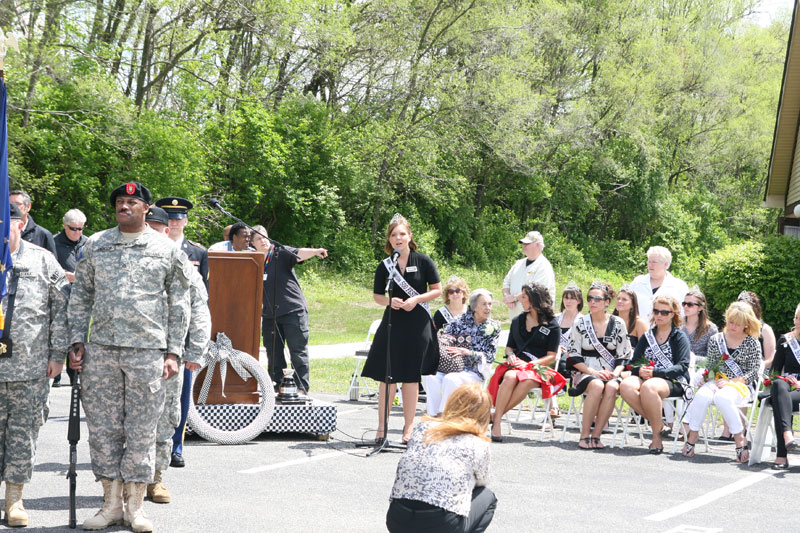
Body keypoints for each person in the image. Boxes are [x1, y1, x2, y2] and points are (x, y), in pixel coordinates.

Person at [68, 182, 191, 532]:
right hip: (101, 351)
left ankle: (135, 507)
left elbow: (178, 303)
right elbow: (81, 296)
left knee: (140, 431)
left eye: (132, 202)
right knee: (104, 429)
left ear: (146, 209)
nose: (125, 207)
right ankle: (110, 505)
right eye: (120, 202)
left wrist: (173, 351)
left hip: (147, 352)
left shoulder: (165, 249)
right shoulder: (96, 244)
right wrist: (77, 339)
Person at [0, 203, 69, 527]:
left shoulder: (42, 260)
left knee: (23, 436)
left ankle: (14, 499)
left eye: (8, 223)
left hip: (30, 370)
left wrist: (58, 355)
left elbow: (61, 310)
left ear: (21, 223)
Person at [144, 207, 210, 502]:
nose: (158, 231)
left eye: (161, 227)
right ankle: (120, 486)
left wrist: (196, 349)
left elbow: (199, 307)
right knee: (125, 423)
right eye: (152, 226)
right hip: (127, 354)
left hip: (168, 357)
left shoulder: (181, 261)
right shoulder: (120, 258)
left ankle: (156, 479)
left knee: (165, 418)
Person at [362, 214, 441, 443]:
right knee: (387, 377)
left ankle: (408, 429)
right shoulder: (385, 265)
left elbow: (437, 289)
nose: (398, 238)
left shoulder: (423, 261)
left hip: (418, 323)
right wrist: (389, 301)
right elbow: (377, 295)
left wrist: (416, 300)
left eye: (402, 234)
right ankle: (381, 429)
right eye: (394, 234)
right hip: (393, 323)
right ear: (389, 239)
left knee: (410, 377)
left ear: (410, 236)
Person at [386, 383, 496, 533]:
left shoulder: (423, 428)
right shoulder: (478, 443)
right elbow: (483, 481)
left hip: (397, 518)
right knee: (487, 496)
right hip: (441, 524)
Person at [249, 224, 327, 393]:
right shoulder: (254, 261)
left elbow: (298, 253)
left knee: (297, 352)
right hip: (270, 315)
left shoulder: (279, 252)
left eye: (264, 237)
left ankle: (301, 388)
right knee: (273, 353)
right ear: (252, 243)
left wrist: (314, 251)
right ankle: (277, 387)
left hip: (293, 310)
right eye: (258, 238)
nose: (262, 241)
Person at [682, 302, 762, 463]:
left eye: (738, 324)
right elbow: (711, 364)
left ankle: (739, 437)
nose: (733, 326)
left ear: (746, 324)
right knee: (702, 396)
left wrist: (732, 381)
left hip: (741, 385)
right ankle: (693, 435)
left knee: (723, 398)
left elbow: (754, 371)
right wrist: (704, 376)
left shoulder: (752, 342)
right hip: (717, 381)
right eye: (731, 322)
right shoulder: (716, 339)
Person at [489, 283, 565, 442]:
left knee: (527, 380)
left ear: (534, 300)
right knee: (510, 376)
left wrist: (531, 365)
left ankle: (496, 418)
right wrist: (510, 355)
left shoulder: (552, 324)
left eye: (523, 297)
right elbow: (509, 347)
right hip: (517, 366)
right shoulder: (517, 320)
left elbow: (552, 356)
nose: (520, 300)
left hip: (539, 369)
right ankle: (497, 422)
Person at [619, 296, 690, 454]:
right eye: (656, 311)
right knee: (626, 386)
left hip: (673, 380)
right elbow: (633, 363)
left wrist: (656, 372)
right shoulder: (647, 336)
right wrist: (640, 370)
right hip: (648, 377)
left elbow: (682, 366)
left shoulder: (679, 337)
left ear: (672, 314)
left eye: (664, 312)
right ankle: (659, 425)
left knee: (649, 387)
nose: (659, 315)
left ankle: (656, 439)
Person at [566, 281, 632, 449]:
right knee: (596, 385)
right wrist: (593, 372)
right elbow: (573, 356)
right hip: (585, 371)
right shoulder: (580, 323)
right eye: (589, 299)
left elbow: (624, 355)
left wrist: (616, 373)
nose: (592, 302)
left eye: (597, 299)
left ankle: (597, 436)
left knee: (611, 387)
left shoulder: (618, 324)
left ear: (607, 302)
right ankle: (584, 434)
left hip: (611, 372)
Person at [424, 289, 500, 417]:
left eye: (490, 304)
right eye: (484, 304)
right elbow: (445, 336)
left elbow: (490, 356)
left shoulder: (493, 327)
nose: (488, 308)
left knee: (451, 379)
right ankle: (432, 415)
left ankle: (444, 415)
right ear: (474, 306)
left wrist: (468, 352)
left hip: (473, 370)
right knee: (430, 376)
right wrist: (445, 341)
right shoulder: (460, 320)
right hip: (451, 365)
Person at [52, 208, 88, 387]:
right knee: (59, 331)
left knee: (77, 334)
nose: (77, 232)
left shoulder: (88, 243)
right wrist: (62, 275)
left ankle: (74, 375)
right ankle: (55, 375)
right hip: (59, 294)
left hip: (81, 296)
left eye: (80, 228)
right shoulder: (53, 241)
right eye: (73, 228)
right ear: (64, 226)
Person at [764, 303, 800, 469]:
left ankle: (781, 455)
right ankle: (787, 435)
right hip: (786, 388)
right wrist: (778, 379)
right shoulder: (786, 340)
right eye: (797, 318)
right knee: (778, 385)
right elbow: (775, 371)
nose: (799, 322)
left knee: (780, 401)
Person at [501, 231, 555, 320]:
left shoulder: (544, 266)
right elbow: (506, 283)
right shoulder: (518, 264)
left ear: (538, 245)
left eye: (527, 243)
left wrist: (513, 298)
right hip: (516, 318)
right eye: (523, 243)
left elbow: (535, 292)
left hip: (536, 319)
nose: (524, 246)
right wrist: (507, 297)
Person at [629, 246, 688, 322]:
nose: (650, 265)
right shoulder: (637, 282)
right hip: (637, 331)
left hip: (667, 332)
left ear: (666, 264)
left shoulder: (679, 286)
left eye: (654, 262)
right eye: (649, 261)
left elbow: (683, 314)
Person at [9, 189, 57, 257]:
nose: (12, 208)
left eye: (17, 204)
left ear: (28, 207)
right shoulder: (3, 233)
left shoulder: (43, 235)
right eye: (10, 204)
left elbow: (52, 264)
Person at [737, 290, 776, 368]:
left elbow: (770, 360)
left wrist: (754, 370)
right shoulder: (735, 327)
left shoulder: (765, 329)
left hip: (760, 372)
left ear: (754, 309)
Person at [681, 288, 718, 365]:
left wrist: (692, 358)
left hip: (700, 371)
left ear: (700, 307)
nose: (686, 307)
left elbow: (714, 358)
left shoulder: (711, 329)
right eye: (684, 304)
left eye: (690, 304)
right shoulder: (676, 324)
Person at [555, 281, 583, 381]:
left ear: (579, 301)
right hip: (553, 353)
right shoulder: (555, 318)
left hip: (572, 356)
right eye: (566, 298)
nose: (568, 301)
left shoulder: (583, 321)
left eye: (572, 298)